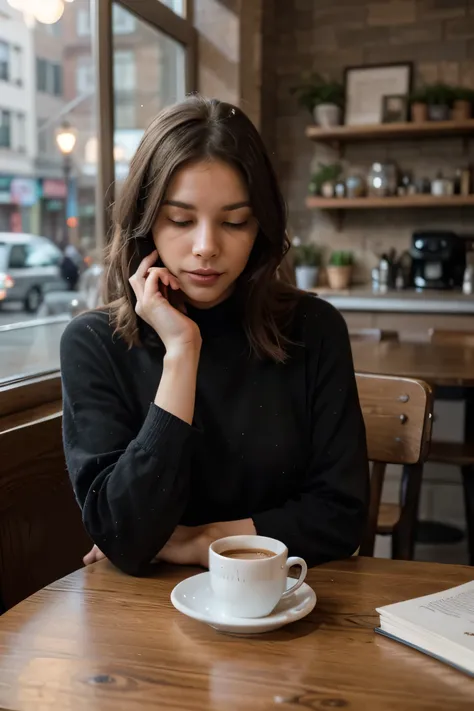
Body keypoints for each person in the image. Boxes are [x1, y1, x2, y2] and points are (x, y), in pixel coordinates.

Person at [60, 96, 369, 577]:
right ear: (145, 220)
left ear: (260, 226)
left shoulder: (314, 328)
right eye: (180, 220)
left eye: (234, 221)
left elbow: (341, 516)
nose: (206, 247)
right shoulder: (94, 343)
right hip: (142, 621)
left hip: (286, 604)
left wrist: (202, 541)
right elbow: (124, 535)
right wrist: (182, 353)